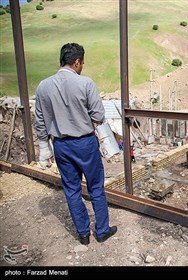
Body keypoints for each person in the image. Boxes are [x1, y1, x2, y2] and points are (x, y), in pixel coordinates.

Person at [35, 43, 117, 245]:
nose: (82, 67)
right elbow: (98, 115)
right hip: (85, 144)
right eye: (82, 63)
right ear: (77, 62)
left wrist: (44, 148)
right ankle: (102, 231)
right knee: (96, 188)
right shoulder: (86, 84)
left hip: (61, 146)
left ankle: (83, 234)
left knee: (71, 190)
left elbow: (40, 121)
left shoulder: (43, 86)